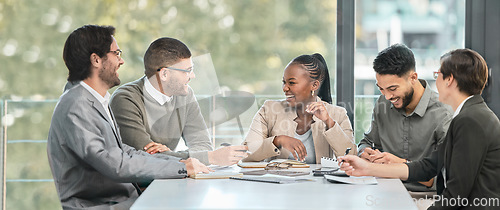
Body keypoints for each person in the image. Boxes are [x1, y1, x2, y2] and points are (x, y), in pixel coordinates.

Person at [47, 25, 210, 210]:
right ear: (96, 60)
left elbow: (123, 151)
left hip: (124, 200)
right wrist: (181, 168)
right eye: (116, 53)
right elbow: (116, 164)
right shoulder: (76, 106)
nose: (121, 61)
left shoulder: (93, 101)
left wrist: (179, 162)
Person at [340, 49, 500, 209]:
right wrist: (366, 168)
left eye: (437, 75)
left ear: (449, 79)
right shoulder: (467, 115)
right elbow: (428, 167)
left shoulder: (470, 120)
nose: (434, 81)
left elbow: (456, 195)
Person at [110, 37, 247, 167]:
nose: (192, 76)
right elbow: (147, 159)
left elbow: (203, 144)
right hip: (138, 188)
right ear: (164, 74)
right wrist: (211, 157)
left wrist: (169, 154)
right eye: (187, 71)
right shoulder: (125, 99)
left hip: (173, 178)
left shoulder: (185, 95)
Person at [357, 44, 452, 191]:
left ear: (413, 77)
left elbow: (444, 175)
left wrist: (400, 164)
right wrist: (365, 151)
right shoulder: (382, 103)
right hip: (382, 191)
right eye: (381, 89)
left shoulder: (443, 113)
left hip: (424, 199)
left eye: (393, 89)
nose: (387, 96)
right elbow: (367, 141)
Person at [243, 53, 356, 163]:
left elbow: (352, 158)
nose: (284, 88)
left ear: (314, 85)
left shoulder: (337, 114)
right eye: (284, 82)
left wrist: (328, 122)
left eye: (291, 83)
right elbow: (247, 152)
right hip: (277, 180)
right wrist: (278, 140)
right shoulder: (269, 110)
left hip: (318, 182)